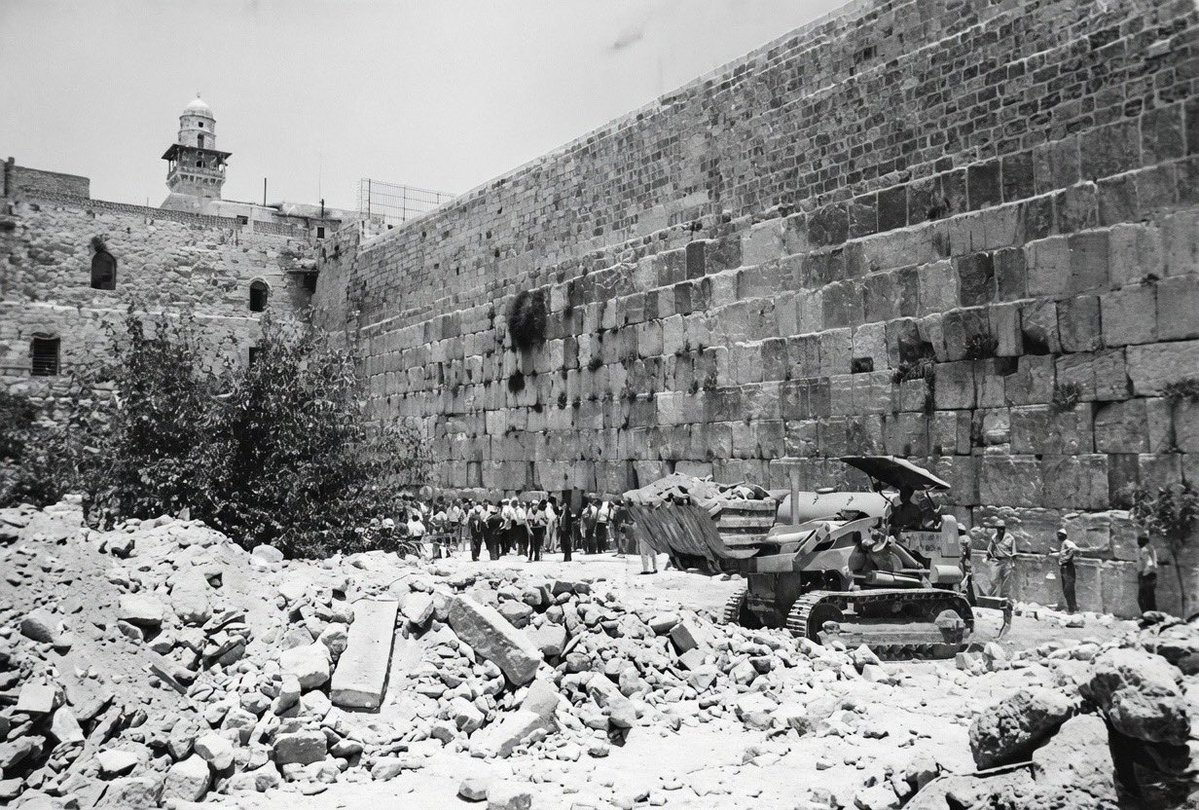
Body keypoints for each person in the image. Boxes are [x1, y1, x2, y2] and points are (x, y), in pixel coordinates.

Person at [985, 521, 1014, 600]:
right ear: (996, 529)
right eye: (999, 528)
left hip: (1007, 561)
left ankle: (1005, 599)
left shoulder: (1010, 538)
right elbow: (990, 549)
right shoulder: (994, 537)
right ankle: (991, 599)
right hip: (997, 561)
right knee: (993, 580)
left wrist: (1012, 563)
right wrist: (988, 558)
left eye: (1003, 528)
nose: (1001, 530)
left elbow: (1013, 552)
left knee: (1006, 583)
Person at [1055, 527, 1080, 613]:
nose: (1058, 536)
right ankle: (1072, 608)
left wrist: (1067, 557)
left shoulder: (1067, 542)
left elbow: (1075, 549)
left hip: (1067, 567)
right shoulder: (1063, 544)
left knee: (1068, 588)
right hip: (1064, 567)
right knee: (1067, 588)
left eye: (1060, 535)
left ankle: (1072, 608)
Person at [1137, 533, 1158, 613]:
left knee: (1142, 598)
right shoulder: (1151, 548)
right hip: (1152, 575)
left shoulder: (1144, 549)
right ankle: (1152, 616)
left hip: (1147, 575)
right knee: (1150, 597)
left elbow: (1149, 562)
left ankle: (1147, 616)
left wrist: (1144, 574)